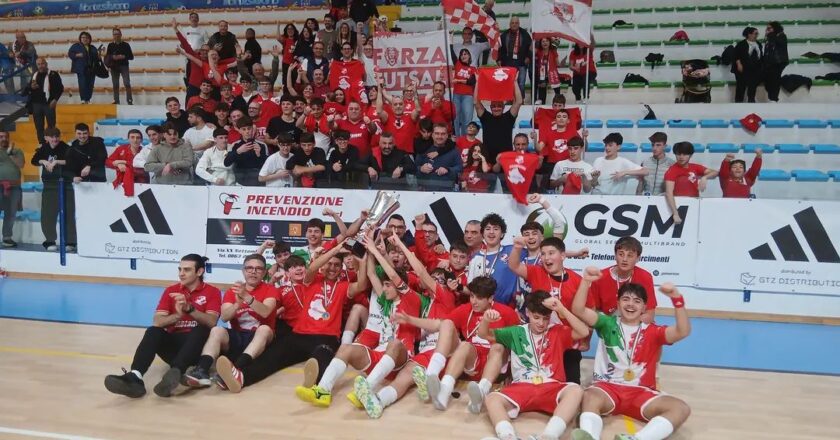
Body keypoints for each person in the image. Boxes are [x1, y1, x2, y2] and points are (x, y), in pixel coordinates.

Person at [213, 240, 369, 392]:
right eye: (329, 264)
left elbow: (362, 285)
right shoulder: (311, 281)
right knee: (273, 356)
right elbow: (313, 267)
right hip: (300, 334)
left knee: (322, 355)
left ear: (341, 268)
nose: (332, 268)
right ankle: (242, 377)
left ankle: (315, 381)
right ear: (323, 265)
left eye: (336, 265)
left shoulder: (344, 287)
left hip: (326, 336)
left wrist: (362, 261)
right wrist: (334, 250)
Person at [570, 268, 692, 440]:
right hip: (607, 388)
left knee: (680, 408)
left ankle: (636, 439)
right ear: (618, 303)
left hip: (640, 392)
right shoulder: (607, 323)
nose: (630, 304)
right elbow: (578, 309)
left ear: (644, 307)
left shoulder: (653, 331)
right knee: (589, 396)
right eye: (625, 299)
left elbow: (683, 331)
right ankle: (589, 436)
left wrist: (677, 299)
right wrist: (586, 281)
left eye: (637, 301)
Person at [297, 236, 416, 408]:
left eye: (388, 285)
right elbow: (370, 274)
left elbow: (392, 274)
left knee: (395, 343)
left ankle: (365, 390)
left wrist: (377, 251)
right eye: (384, 285)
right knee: (345, 348)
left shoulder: (412, 299)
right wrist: (367, 251)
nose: (383, 289)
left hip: (400, 358)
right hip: (380, 358)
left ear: (400, 285)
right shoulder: (384, 299)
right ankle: (322, 391)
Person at [104, 254, 220, 398]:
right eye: (180, 269)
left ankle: (176, 372)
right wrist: (177, 315)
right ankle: (135, 378)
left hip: (197, 347)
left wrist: (190, 309)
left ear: (200, 272)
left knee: (202, 329)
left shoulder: (212, 292)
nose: (181, 273)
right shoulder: (171, 291)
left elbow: (212, 322)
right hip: (174, 346)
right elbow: (157, 321)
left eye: (187, 270)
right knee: (154, 331)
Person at [480, 291, 588, 440]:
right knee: (492, 399)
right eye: (536, 317)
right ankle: (507, 436)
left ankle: (550, 435)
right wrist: (486, 320)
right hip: (522, 386)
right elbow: (484, 334)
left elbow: (583, 331)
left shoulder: (557, 331)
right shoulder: (515, 331)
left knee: (575, 390)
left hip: (551, 386)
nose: (541, 323)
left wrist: (561, 309)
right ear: (527, 313)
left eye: (546, 318)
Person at [413, 276, 520, 411]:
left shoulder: (506, 312)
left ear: (491, 298)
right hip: (473, 361)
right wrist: (409, 319)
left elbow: (518, 342)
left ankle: (481, 392)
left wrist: (514, 375)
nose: (474, 302)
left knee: (498, 346)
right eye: (472, 296)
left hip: (496, 362)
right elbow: (438, 324)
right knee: (453, 332)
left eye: (479, 298)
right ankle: (440, 387)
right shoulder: (466, 309)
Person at [184, 254, 277, 389]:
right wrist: (237, 305)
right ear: (243, 271)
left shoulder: (271, 290)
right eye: (249, 268)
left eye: (258, 269)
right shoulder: (232, 292)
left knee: (264, 329)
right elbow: (224, 317)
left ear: (264, 272)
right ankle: (201, 370)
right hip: (238, 337)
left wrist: (246, 296)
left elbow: (266, 311)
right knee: (217, 330)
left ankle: (235, 369)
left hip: (261, 339)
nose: (253, 271)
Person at [508, 236, 588, 384]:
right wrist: (518, 247)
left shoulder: (577, 280)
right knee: (534, 384)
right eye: (543, 254)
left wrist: (586, 340)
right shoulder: (536, 272)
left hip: (566, 341)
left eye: (551, 253)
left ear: (563, 256)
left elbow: (588, 311)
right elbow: (514, 266)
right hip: (538, 339)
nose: (546, 258)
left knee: (572, 386)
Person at [589, 237, 657, 324]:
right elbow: (592, 311)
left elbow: (650, 314)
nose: (624, 259)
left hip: (637, 325)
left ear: (638, 258)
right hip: (609, 326)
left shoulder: (645, 277)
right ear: (615, 256)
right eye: (621, 254)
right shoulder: (599, 277)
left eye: (630, 255)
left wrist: (629, 326)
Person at [30, 128, 69, 251]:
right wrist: (44, 161)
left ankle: (70, 241)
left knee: (68, 214)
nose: (55, 139)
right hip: (48, 185)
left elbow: (72, 161)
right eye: (52, 137)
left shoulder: (65, 147)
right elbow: (34, 161)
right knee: (48, 215)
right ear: (47, 138)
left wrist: (56, 162)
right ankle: (50, 240)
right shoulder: (44, 148)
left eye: (57, 136)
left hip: (64, 185)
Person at [467, 213, 518, 306]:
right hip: (483, 309)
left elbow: (537, 250)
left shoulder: (513, 250)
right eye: (487, 229)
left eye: (496, 229)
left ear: (502, 233)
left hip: (507, 308)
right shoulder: (475, 257)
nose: (491, 232)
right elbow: (471, 288)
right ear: (482, 233)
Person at [664, 141, 718, 224]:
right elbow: (669, 193)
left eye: (685, 154)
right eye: (678, 154)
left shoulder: (695, 167)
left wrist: (705, 177)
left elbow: (715, 173)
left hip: (694, 204)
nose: (681, 157)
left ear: (690, 155)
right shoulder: (672, 170)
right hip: (679, 205)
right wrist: (675, 213)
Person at [475, 74, 523, 165]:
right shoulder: (486, 117)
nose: (496, 108)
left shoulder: (509, 117)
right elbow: (476, 103)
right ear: (490, 107)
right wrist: (478, 82)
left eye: (499, 106)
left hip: (506, 158)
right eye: (494, 106)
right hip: (488, 159)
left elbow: (519, 101)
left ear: (504, 107)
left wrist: (515, 82)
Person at [21, 57, 63, 145]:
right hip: (36, 104)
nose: (41, 66)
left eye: (42, 63)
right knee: (39, 126)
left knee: (51, 126)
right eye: (39, 64)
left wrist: (55, 99)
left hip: (49, 104)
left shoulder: (53, 74)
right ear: (36, 65)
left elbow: (60, 88)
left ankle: (52, 142)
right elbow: (26, 89)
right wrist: (31, 87)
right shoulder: (34, 75)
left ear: (46, 64)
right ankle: (41, 143)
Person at [225, 116, 270, 186]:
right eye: (244, 129)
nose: (247, 131)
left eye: (249, 129)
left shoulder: (262, 145)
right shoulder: (235, 145)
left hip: (257, 178)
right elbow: (226, 163)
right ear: (239, 130)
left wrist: (259, 154)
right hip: (240, 178)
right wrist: (238, 151)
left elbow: (267, 167)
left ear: (252, 129)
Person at [415, 124, 462, 189]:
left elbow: (459, 168)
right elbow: (413, 168)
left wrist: (448, 169)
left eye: (443, 134)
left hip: (448, 190)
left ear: (447, 136)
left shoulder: (454, 151)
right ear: (432, 135)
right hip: (425, 191)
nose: (440, 136)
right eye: (437, 133)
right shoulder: (423, 149)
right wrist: (421, 168)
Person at [0, 131, 24, 248]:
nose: (4, 139)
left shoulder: (17, 151)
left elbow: (21, 164)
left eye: (6, 137)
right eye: (1, 137)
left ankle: (7, 237)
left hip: (14, 186)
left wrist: (10, 154)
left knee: (11, 213)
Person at [498, 17, 532, 97]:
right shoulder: (504, 34)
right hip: (508, 62)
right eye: (512, 23)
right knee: (508, 83)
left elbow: (530, 47)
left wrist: (528, 57)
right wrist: (499, 59)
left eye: (516, 23)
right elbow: (500, 48)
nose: (514, 24)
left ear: (519, 24)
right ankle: (509, 100)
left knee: (521, 84)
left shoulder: (524, 34)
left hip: (521, 63)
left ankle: (521, 101)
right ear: (510, 24)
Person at [637, 132, 675, 196]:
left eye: (658, 145)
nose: (654, 148)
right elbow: (641, 183)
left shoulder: (672, 164)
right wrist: (638, 197)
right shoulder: (645, 162)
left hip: (664, 201)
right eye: (653, 145)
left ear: (665, 146)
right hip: (646, 200)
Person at [67, 31, 100, 104]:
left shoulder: (92, 47)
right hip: (81, 69)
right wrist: (77, 55)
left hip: (91, 69)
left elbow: (96, 57)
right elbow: (70, 54)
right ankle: (83, 99)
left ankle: (88, 99)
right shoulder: (76, 46)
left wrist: (99, 54)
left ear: (90, 39)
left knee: (90, 84)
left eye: (87, 38)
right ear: (80, 38)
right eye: (83, 37)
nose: (85, 39)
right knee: (82, 83)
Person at [733, 27, 763, 103]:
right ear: (749, 34)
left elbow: (760, 56)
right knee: (741, 87)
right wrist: (739, 64)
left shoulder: (759, 44)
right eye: (755, 33)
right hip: (743, 69)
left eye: (757, 33)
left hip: (755, 69)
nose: (757, 35)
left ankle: (751, 102)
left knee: (752, 88)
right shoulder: (741, 44)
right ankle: (738, 103)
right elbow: (736, 55)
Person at [452, 49, 477, 137]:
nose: (463, 56)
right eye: (461, 54)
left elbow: (472, 82)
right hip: (456, 95)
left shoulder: (473, 69)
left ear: (469, 56)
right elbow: (452, 52)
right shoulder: (457, 64)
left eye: (465, 54)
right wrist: (450, 40)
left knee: (467, 119)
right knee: (456, 118)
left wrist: (458, 80)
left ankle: (465, 139)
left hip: (468, 96)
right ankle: (458, 140)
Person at [106, 28, 134, 105]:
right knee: (115, 84)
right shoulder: (110, 45)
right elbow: (107, 56)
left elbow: (131, 56)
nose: (116, 36)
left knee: (127, 83)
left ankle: (129, 100)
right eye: (115, 34)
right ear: (113, 36)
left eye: (118, 34)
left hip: (124, 66)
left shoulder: (126, 45)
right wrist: (113, 57)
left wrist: (123, 56)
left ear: (121, 35)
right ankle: (116, 101)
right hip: (114, 67)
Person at [763, 21, 788, 103]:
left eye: (769, 28)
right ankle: (772, 97)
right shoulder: (769, 38)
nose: (768, 30)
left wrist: (770, 35)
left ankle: (773, 98)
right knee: (768, 80)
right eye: (767, 28)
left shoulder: (781, 35)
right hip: (769, 63)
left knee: (775, 80)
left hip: (779, 62)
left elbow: (780, 44)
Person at [535, 37, 564, 105]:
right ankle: (542, 106)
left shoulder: (553, 51)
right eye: (543, 41)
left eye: (547, 41)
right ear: (540, 43)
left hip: (552, 73)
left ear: (550, 42)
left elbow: (557, 64)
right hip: (542, 74)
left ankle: (558, 104)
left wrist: (562, 63)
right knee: (542, 93)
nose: (545, 43)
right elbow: (532, 52)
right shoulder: (538, 51)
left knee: (557, 92)